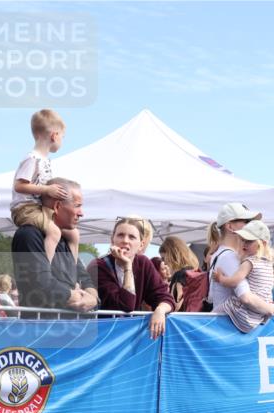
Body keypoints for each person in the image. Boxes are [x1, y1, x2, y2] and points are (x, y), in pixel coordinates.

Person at [11, 178, 98, 314]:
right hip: (42, 330)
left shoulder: (67, 238)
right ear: (57, 207)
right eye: (77, 206)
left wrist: (93, 299)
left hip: (70, 329)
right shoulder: (28, 235)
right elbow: (42, 285)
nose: (81, 213)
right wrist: (79, 297)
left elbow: (84, 278)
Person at [89, 216, 174, 338]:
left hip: (129, 337)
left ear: (141, 245)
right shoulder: (98, 266)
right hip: (103, 336)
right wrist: (127, 266)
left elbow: (165, 297)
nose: (125, 241)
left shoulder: (143, 263)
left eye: (132, 237)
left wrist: (160, 311)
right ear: (112, 240)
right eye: (120, 235)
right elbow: (126, 305)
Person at [205, 202, 274, 318]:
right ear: (230, 227)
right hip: (232, 327)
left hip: (226, 325)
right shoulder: (230, 257)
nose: (251, 225)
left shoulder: (221, 254)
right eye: (247, 221)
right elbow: (246, 297)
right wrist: (270, 309)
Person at [10, 109, 72, 263]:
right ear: (54, 135)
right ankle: (47, 267)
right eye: (62, 137)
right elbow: (19, 185)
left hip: (38, 207)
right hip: (26, 208)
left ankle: (71, 267)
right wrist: (47, 189)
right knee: (54, 233)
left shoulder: (44, 160)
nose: (62, 141)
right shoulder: (32, 158)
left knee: (70, 232)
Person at [213, 220, 274, 332]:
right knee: (269, 303)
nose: (244, 244)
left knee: (214, 313)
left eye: (249, 241)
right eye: (243, 240)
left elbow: (234, 281)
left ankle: (206, 322)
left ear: (263, 244)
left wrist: (221, 278)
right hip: (258, 316)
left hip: (243, 313)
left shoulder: (249, 262)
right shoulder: (268, 264)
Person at [158, 235, 201, 311]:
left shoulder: (180, 275)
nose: (164, 262)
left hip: (180, 320)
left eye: (163, 258)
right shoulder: (195, 271)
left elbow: (174, 305)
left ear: (172, 255)